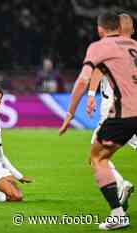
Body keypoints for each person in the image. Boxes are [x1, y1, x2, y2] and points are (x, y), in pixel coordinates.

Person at [62, 12, 137, 230]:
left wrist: (70, 113)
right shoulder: (132, 47)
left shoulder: (102, 47)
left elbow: (86, 76)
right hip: (121, 107)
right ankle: (120, 188)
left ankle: (118, 209)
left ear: (100, 29)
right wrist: (93, 94)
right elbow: (98, 71)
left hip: (121, 111)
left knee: (96, 157)